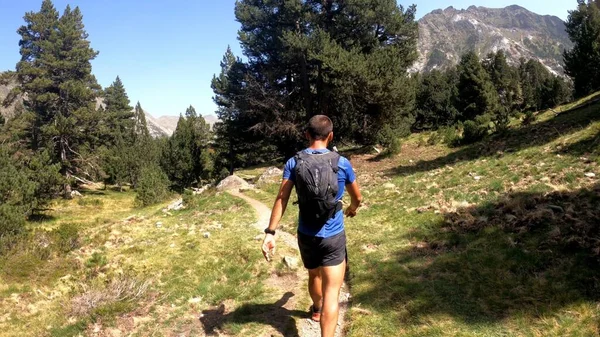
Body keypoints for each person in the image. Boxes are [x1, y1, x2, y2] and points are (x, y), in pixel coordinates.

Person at [261, 115, 363, 337]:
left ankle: (316, 310)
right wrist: (352, 208)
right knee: (332, 293)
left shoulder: (294, 162)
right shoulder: (342, 163)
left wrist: (270, 233)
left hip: (306, 234)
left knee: (314, 275)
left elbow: (282, 198)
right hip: (333, 236)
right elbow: (358, 197)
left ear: (307, 134)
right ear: (331, 136)